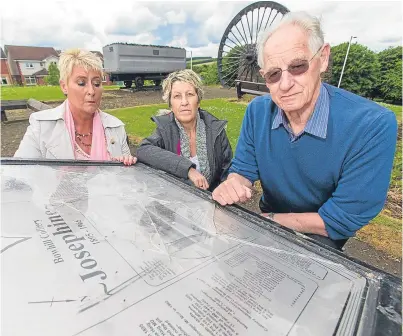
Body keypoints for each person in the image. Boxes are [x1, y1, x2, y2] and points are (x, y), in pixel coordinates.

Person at [212, 11, 397, 250]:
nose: (286, 84)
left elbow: (341, 218)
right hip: (270, 217)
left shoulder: (372, 125)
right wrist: (234, 184)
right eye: (274, 74)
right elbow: (243, 169)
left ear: (323, 58)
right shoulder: (257, 112)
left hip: (321, 236)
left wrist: (265, 222)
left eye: (298, 66)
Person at [14, 48, 136, 165]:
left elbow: (127, 179)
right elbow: (21, 176)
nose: (91, 91)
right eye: (81, 83)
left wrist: (126, 164)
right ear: (64, 86)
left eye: (97, 83)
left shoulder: (116, 128)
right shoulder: (41, 127)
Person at [136, 69, 232, 191]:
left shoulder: (215, 130)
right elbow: (143, 150)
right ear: (170, 104)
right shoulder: (165, 129)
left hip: (210, 202)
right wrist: (187, 169)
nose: (184, 102)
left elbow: (227, 171)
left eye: (190, 95)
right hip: (176, 203)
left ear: (198, 100)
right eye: (177, 96)